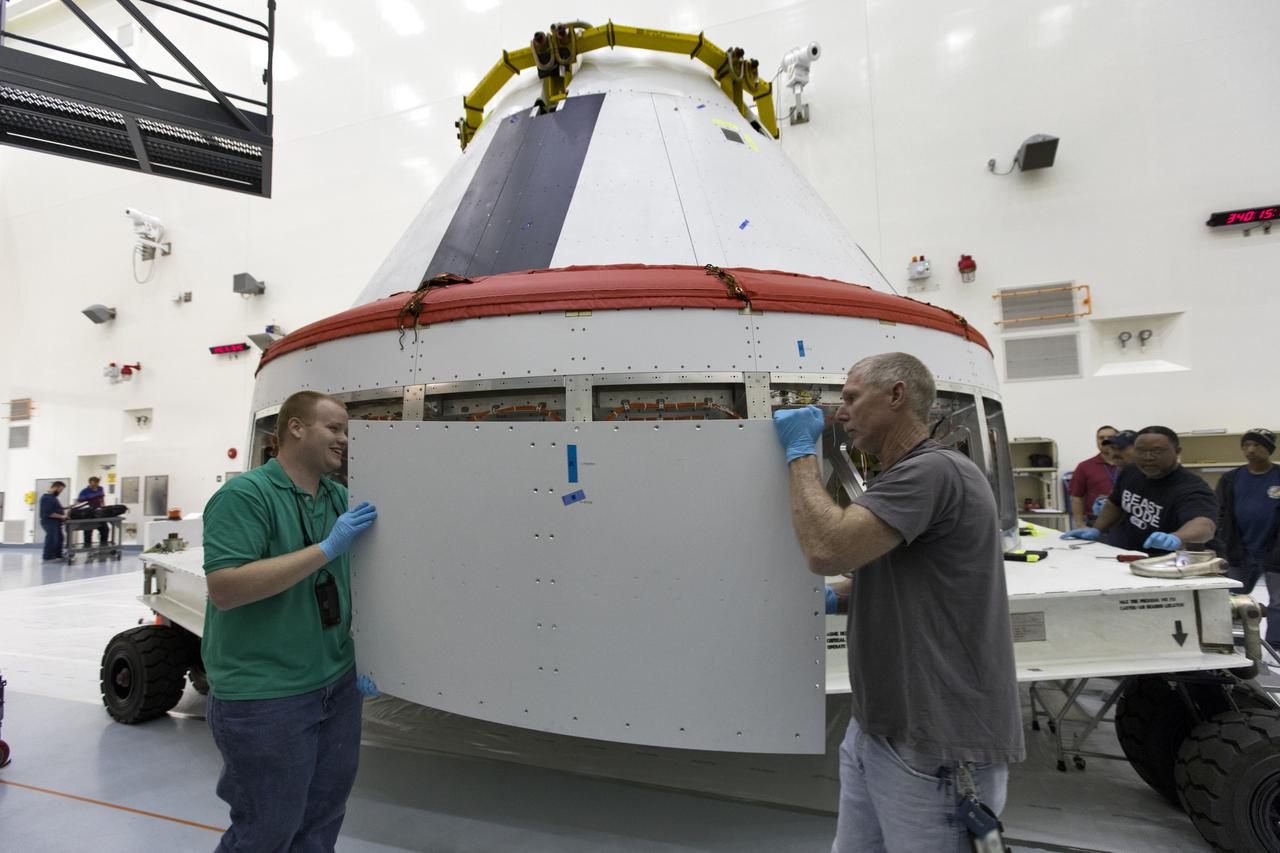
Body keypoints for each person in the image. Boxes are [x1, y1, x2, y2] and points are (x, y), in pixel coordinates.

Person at [773, 352, 1023, 852]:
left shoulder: (931, 471)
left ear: (896, 395)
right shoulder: (905, 475)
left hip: (937, 743)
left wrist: (800, 454)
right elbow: (907, 578)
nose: (840, 412)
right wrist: (837, 598)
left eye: (851, 398)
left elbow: (828, 549)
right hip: (880, 728)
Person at [201, 390, 379, 853]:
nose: (345, 439)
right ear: (296, 428)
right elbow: (226, 589)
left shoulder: (341, 499)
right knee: (267, 831)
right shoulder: (245, 496)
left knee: (322, 820)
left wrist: (376, 658)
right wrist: (326, 548)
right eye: (334, 428)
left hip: (337, 685)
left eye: (346, 430)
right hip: (266, 696)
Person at [1062, 426, 1218, 554]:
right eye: (1141, 451)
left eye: (1157, 451)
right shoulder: (1131, 471)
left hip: (1171, 562)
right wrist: (1097, 529)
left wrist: (1177, 537)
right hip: (1133, 554)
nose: (1148, 457)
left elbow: (1204, 525)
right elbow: (1115, 503)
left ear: (1177, 451)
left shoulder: (1191, 487)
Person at [1216, 428, 1280, 644]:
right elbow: (1219, 511)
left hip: (1275, 553)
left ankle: (1275, 647)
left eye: (1257, 445)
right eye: (1246, 445)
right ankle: (1233, 643)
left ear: (1269, 449)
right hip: (1239, 551)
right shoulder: (1231, 478)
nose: (1250, 450)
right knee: (1231, 600)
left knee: (1278, 603)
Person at [1069, 425, 1119, 526]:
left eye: (1110, 437)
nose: (1105, 440)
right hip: (1095, 522)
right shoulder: (1084, 466)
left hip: (1124, 522)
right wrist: (1080, 524)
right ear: (1097, 441)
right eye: (1101, 438)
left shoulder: (1129, 465)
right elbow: (1076, 497)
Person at [75, 476, 108, 547]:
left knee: (105, 529)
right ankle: (88, 548)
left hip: (99, 513)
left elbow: (102, 499)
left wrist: (104, 508)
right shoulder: (84, 491)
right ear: (90, 483)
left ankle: (104, 548)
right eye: (93, 484)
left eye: (96, 484)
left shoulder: (100, 489)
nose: (95, 486)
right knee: (88, 532)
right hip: (89, 514)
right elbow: (79, 502)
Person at [39, 481, 67, 561]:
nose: (60, 492)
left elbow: (56, 508)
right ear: (55, 488)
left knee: (59, 538)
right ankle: (48, 557)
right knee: (51, 539)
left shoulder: (52, 497)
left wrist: (67, 507)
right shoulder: (47, 498)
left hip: (55, 522)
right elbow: (50, 513)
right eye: (60, 490)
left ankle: (58, 555)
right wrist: (62, 516)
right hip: (49, 522)